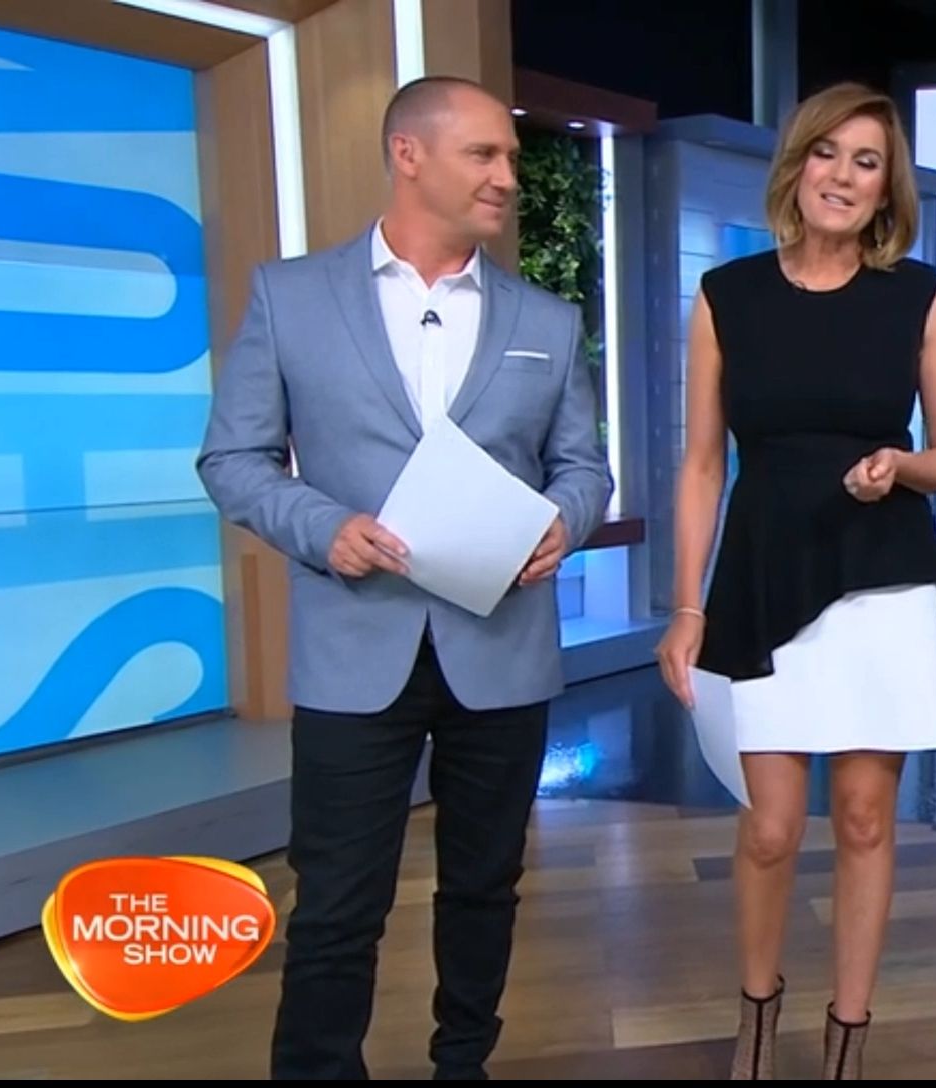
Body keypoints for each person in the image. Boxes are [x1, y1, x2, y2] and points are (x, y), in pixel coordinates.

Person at [196, 75, 610, 1080]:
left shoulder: (546, 320)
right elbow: (232, 458)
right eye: (484, 154)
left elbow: (584, 468)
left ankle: (461, 1063)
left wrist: (564, 521)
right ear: (408, 154)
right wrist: (323, 527)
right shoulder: (290, 296)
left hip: (502, 651)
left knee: (484, 888)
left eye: (510, 158)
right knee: (336, 902)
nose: (507, 176)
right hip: (352, 651)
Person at [654, 81, 936, 1080]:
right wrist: (686, 604)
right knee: (771, 827)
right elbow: (701, 463)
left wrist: (900, 466)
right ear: (796, 167)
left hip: (877, 576)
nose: (842, 175)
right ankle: (756, 1021)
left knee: (868, 818)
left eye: (865, 162)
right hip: (763, 572)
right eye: (827, 153)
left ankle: (846, 1043)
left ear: (886, 189)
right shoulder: (727, 296)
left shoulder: (917, 296)